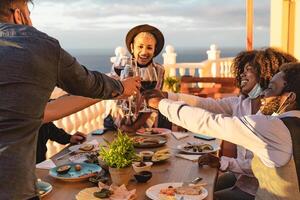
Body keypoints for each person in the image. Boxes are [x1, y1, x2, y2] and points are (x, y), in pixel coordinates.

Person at [0, 1, 140, 199]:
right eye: (28, 14)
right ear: (18, 16)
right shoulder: (38, 45)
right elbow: (88, 82)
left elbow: (39, 112)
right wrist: (120, 87)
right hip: (14, 190)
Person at [147, 48, 297, 200]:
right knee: (194, 185)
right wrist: (168, 96)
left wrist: (162, 104)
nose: (242, 74)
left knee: (196, 193)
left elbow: (210, 122)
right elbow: (206, 105)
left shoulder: (271, 125)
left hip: (257, 190)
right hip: (242, 179)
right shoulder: (273, 117)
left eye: (271, 87)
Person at [107, 24, 166, 132]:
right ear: (132, 47)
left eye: (149, 47)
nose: (144, 52)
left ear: (154, 50)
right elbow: (112, 93)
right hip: (115, 122)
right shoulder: (121, 66)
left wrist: (134, 127)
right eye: (140, 46)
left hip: (144, 124)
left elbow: (153, 101)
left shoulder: (159, 70)